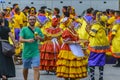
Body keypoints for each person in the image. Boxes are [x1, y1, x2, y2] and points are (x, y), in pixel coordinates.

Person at [86, 12, 110, 80]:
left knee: (92, 62)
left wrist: (87, 28)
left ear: (97, 17)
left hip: (95, 47)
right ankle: (101, 77)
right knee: (101, 63)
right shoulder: (103, 25)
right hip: (102, 47)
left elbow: (92, 34)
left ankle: (92, 78)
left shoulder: (96, 25)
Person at [19, 15, 44, 80]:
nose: (32, 21)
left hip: (35, 52)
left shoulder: (38, 29)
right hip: (26, 52)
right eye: (30, 19)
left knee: (36, 68)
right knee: (25, 68)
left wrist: (39, 37)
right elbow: (20, 40)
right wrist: (27, 40)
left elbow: (43, 39)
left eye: (33, 19)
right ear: (28, 20)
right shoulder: (24, 29)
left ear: (35, 21)